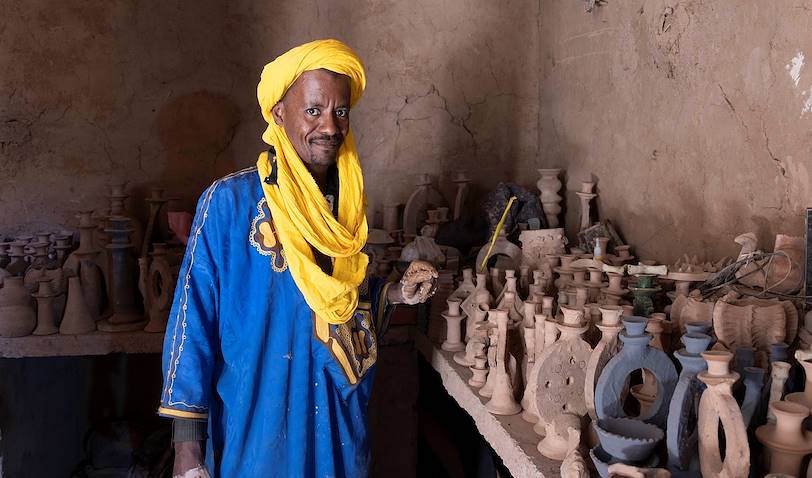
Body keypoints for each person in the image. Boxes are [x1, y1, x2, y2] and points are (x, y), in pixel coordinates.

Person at [158, 39, 438, 478]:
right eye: (313, 111)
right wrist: (186, 451)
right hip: (257, 426)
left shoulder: (345, 206)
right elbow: (191, 324)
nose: (329, 126)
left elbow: (342, 303)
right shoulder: (228, 204)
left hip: (335, 424)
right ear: (278, 114)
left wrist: (397, 292)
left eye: (340, 111)